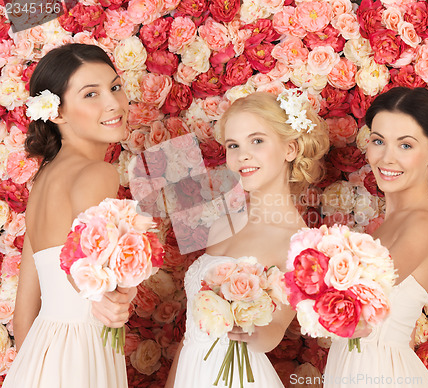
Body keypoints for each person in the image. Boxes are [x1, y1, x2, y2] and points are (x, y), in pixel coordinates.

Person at [165, 90, 330, 387]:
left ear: (290, 148)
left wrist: (253, 333)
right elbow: (193, 330)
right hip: (191, 372)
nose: (242, 155)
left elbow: (276, 327)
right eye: (233, 145)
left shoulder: (300, 243)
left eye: (257, 141)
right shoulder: (222, 225)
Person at [3, 43, 137, 388]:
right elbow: (86, 271)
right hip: (83, 351)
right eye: (91, 94)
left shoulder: (42, 181)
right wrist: (114, 300)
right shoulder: (98, 174)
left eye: (115, 87)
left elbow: (23, 315)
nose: (113, 103)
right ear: (56, 112)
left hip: (40, 353)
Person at [324, 87, 428, 388]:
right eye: (379, 141)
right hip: (360, 367)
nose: (386, 158)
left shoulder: (422, 222)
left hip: (380, 372)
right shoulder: (392, 221)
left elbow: (355, 299)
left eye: (405, 146)